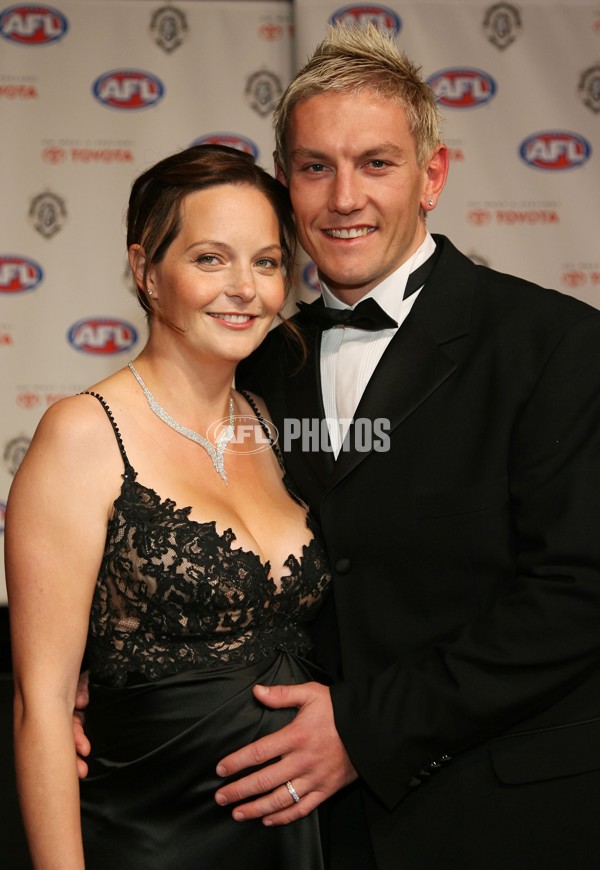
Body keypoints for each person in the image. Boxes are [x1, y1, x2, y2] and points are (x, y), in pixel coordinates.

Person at [210, 24, 600, 870]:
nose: (344, 197)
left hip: (511, 821)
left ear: (433, 176)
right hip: (312, 833)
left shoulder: (555, 344)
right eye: (316, 167)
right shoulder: (255, 367)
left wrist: (366, 727)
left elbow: (578, 592)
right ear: (286, 184)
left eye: (376, 163)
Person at [6, 144, 331, 870]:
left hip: (301, 835)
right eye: (211, 259)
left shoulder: (279, 423)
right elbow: (43, 705)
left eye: (269, 262)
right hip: (151, 833)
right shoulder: (85, 435)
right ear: (148, 270)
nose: (245, 288)